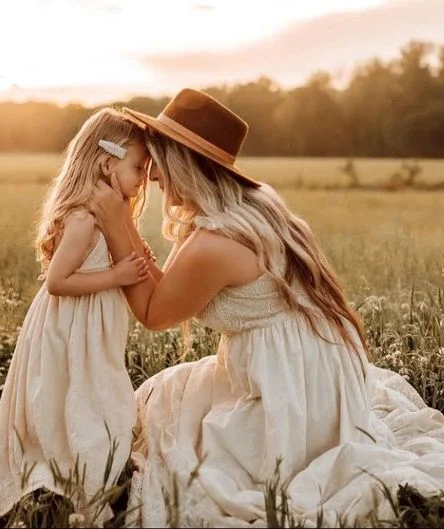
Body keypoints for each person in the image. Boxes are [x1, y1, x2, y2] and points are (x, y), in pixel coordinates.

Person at [89, 88, 444, 528]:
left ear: (183, 162)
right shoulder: (253, 207)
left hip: (287, 386)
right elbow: (169, 290)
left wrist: (117, 221)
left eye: (157, 160)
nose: (153, 177)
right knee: (171, 398)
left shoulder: (213, 243)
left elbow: (154, 313)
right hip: (313, 362)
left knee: (180, 437)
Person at [0, 108, 155, 525]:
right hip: (70, 328)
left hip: (90, 330)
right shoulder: (83, 220)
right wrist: (116, 275)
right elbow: (57, 281)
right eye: (138, 168)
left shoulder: (110, 214)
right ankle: (80, 480)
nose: (143, 179)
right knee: (75, 397)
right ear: (106, 163)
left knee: (94, 396)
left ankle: (87, 474)